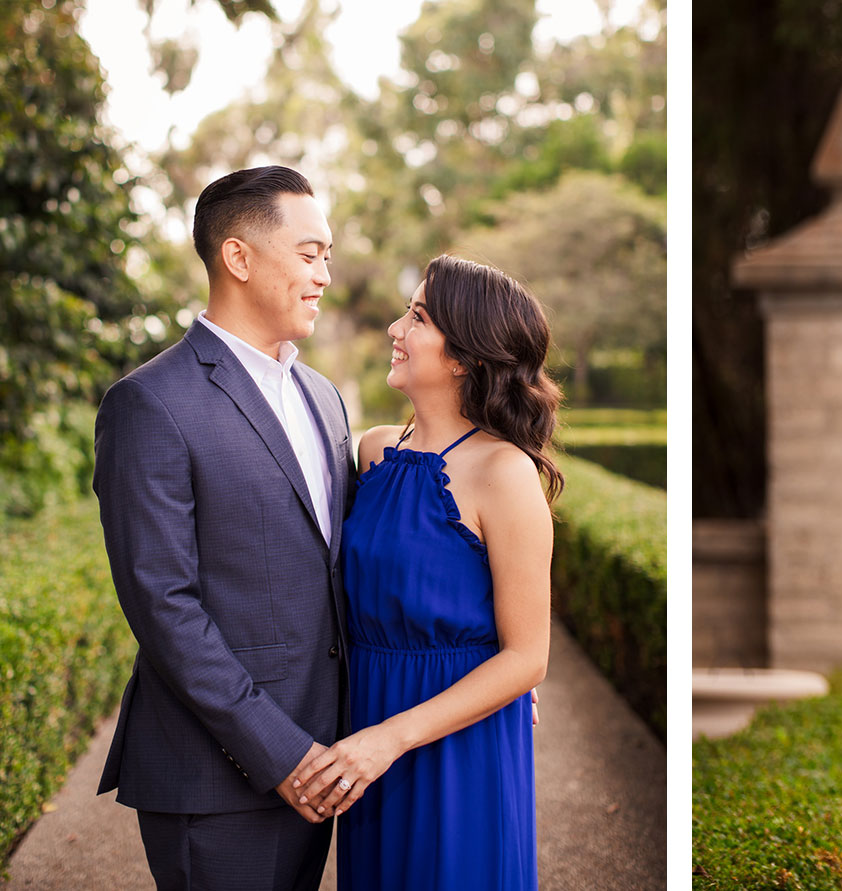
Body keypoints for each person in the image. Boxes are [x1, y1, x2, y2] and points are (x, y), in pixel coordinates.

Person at [94, 165, 350, 890]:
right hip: (216, 777)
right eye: (309, 254)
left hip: (323, 759)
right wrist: (281, 755)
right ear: (237, 257)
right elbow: (164, 606)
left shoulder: (323, 397)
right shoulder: (149, 404)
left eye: (327, 255)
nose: (325, 274)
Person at [288, 255, 561, 890]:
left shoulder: (504, 473)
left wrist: (388, 739)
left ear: (465, 356)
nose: (394, 328)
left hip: (454, 745)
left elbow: (528, 658)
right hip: (371, 726)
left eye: (416, 317)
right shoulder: (371, 450)